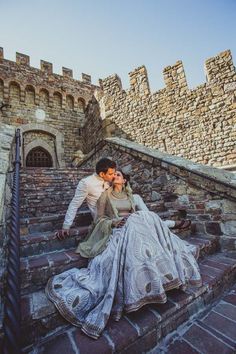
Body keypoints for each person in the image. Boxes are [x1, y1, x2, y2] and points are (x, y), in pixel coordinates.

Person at [46, 171, 201, 339]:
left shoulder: (133, 197)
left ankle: (159, 278)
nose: (115, 176)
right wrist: (114, 222)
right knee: (137, 219)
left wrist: (135, 218)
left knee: (141, 216)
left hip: (137, 228)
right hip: (119, 230)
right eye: (114, 175)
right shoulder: (104, 196)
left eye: (118, 175)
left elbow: (149, 218)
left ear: (125, 180)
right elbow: (99, 220)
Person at [56, 158, 191, 240]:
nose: (114, 175)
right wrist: (66, 226)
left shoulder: (111, 180)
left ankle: (153, 219)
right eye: (111, 174)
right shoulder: (86, 183)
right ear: (102, 174)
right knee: (140, 220)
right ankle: (169, 224)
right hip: (105, 218)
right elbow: (74, 204)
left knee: (137, 199)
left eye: (115, 173)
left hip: (120, 210)